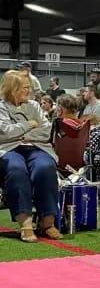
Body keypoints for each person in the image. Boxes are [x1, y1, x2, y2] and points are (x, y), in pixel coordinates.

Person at [0, 70, 62, 243]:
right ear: (12, 89)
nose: (29, 91)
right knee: (16, 170)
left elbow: (46, 131)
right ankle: (25, 223)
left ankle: (47, 223)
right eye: (24, 88)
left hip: (36, 147)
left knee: (45, 167)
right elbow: (4, 133)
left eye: (29, 87)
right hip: (9, 149)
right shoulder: (1, 107)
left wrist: (22, 133)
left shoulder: (34, 106)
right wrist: (28, 124)